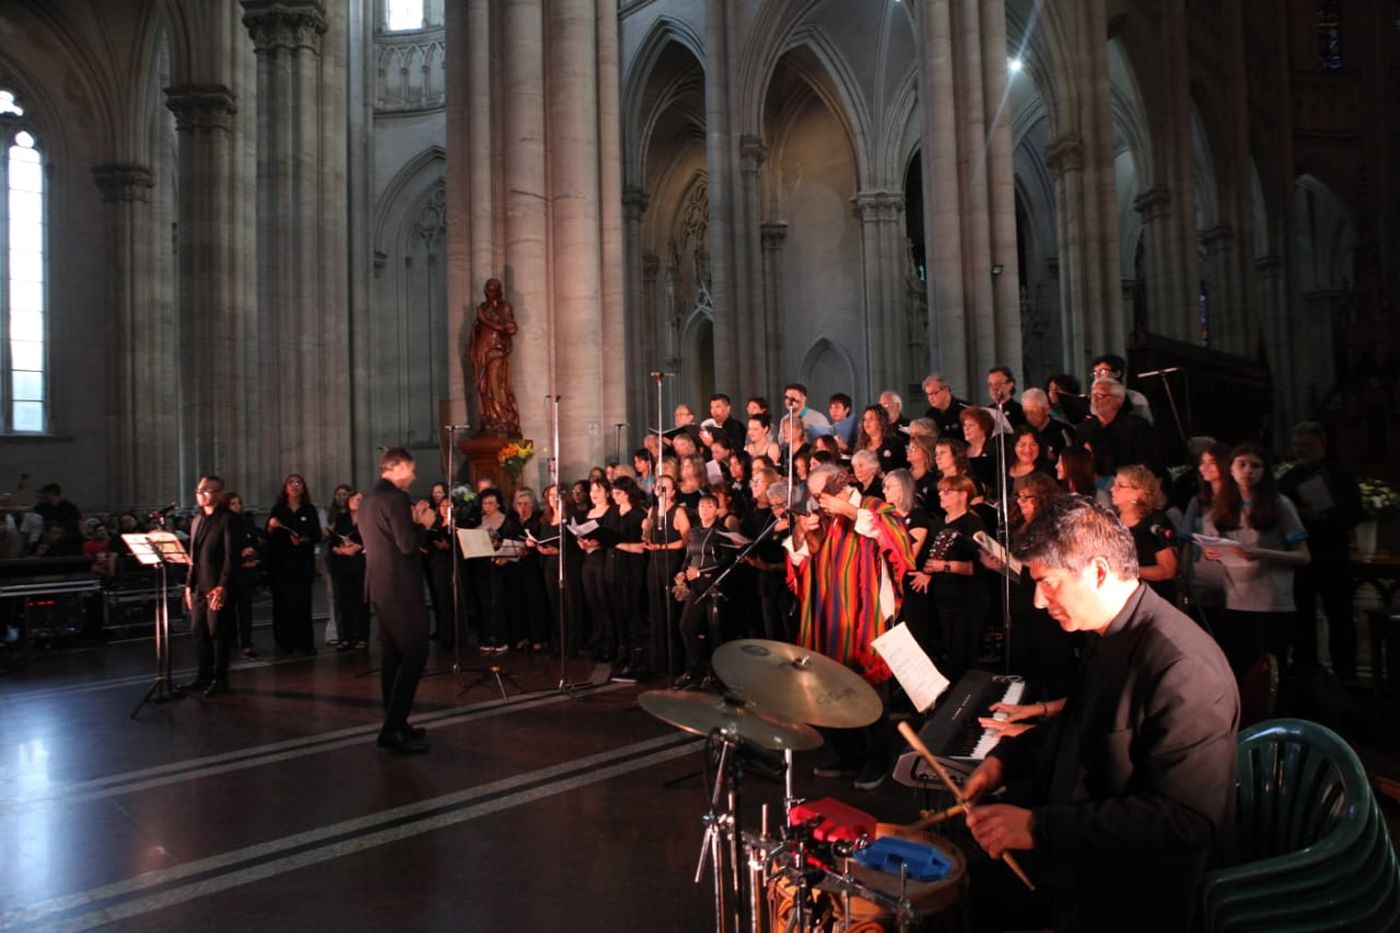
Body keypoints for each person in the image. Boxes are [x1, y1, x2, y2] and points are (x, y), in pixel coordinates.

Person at [961, 495, 1239, 932]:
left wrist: (1038, 827)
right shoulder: (1108, 633)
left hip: (1130, 887)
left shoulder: (1183, 668)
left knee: (963, 894)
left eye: (1048, 582)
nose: (1038, 601)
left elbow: (1186, 818)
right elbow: (1078, 725)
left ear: (1098, 571)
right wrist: (1003, 761)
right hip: (1079, 837)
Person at [786, 463, 914, 790]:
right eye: (813, 496)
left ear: (840, 487)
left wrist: (850, 511)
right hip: (828, 619)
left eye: (820, 495)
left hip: (868, 618)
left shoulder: (873, 507)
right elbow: (800, 559)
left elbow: (897, 539)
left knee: (872, 691)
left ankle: (877, 759)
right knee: (831, 689)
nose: (816, 502)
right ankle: (849, 754)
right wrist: (801, 531)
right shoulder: (823, 519)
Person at [1202, 443, 1310, 677]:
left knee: (1270, 671)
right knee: (1240, 668)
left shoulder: (1279, 504)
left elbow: (1303, 556)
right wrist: (1212, 553)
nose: (1248, 471)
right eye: (1242, 465)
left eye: (1255, 466)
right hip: (1236, 600)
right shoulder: (1223, 505)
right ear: (1231, 469)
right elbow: (1214, 545)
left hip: (1271, 601)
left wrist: (1262, 553)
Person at [359, 447, 437, 753]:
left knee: (392, 657)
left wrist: (412, 520)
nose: (414, 476)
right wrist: (424, 523)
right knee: (416, 655)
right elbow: (407, 545)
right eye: (412, 470)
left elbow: (389, 538)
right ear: (398, 467)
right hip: (401, 589)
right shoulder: (396, 498)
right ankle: (392, 729)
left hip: (380, 588)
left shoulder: (368, 500)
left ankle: (396, 722)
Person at [1277, 421, 1363, 679]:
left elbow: (1354, 513)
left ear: (1322, 444)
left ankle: (1346, 676)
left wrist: (1325, 517)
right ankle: (1307, 675)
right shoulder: (1289, 479)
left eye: (1307, 445)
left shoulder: (1341, 475)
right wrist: (1298, 513)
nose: (1301, 450)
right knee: (1302, 619)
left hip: (1333, 555)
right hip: (1301, 559)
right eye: (1297, 446)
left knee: (1340, 617)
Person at [180, 475, 236, 697]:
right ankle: (202, 676)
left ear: (219, 495)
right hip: (198, 586)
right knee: (199, 632)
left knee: (217, 633)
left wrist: (223, 586)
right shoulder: (197, 520)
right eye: (199, 491)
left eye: (206, 491)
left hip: (216, 586)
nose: (201, 494)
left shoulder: (228, 519)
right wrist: (188, 584)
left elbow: (231, 557)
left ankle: (220, 679)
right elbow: (193, 556)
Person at [265, 473, 323, 654]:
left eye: (299, 483)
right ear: (285, 487)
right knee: (283, 602)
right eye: (291, 483)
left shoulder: (309, 510)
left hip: (302, 563)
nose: (295, 486)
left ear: (303, 488)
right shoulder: (278, 509)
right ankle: (284, 642)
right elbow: (268, 536)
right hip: (282, 563)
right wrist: (271, 526)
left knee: (302, 602)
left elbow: (317, 535)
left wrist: (303, 539)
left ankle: (304, 642)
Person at [1110, 465, 1179, 606]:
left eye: (1120, 486)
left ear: (1139, 493)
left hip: (1153, 600)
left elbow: (1168, 570)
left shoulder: (1155, 523)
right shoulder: (1111, 521)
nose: (1112, 489)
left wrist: (1128, 571)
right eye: (1114, 484)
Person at [470, 278, 521, 436]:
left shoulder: (504, 307)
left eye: (492, 289)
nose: (489, 293)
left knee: (495, 384)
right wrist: (476, 326)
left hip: (496, 350)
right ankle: (489, 419)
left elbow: (511, 328)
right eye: (487, 289)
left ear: (499, 291)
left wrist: (485, 320)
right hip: (482, 350)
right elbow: (476, 329)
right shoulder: (483, 307)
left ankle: (502, 419)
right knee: (483, 386)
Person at [328, 490, 370, 652]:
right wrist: (338, 549)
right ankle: (346, 637)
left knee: (362, 602)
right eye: (352, 499)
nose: (355, 502)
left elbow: (372, 540)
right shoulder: (341, 518)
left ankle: (361, 637)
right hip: (344, 565)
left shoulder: (368, 519)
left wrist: (358, 547)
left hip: (361, 564)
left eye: (359, 499)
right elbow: (333, 541)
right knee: (344, 602)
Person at [225, 493, 262, 659]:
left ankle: (247, 643)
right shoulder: (225, 524)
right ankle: (232, 641)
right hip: (232, 572)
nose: (237, 506)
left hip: (247, 571)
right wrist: (240, 556)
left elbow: (255, 542)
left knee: (245, 609)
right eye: (233, 504)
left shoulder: (247, 522)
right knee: (229, 610)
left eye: (239, 503)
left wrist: (253, 554)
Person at [922, 373, 967, 441]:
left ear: (946, 390)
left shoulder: (964, 409)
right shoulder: (930, 414)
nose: (930, 398)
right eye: (928, 394)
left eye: (934, 393)